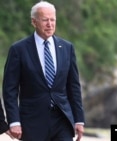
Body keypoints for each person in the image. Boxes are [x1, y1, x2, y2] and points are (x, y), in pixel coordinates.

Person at [2, 1, 85, 141]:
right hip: (32, 122)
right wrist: (14, 121)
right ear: (34, 22)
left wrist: (79, 120)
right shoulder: (19, 49)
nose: (50, 24)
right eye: (45, 20)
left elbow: (74, 87)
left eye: (52, 20)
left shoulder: (67, 48)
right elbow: (10, 89)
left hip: (62, 120)